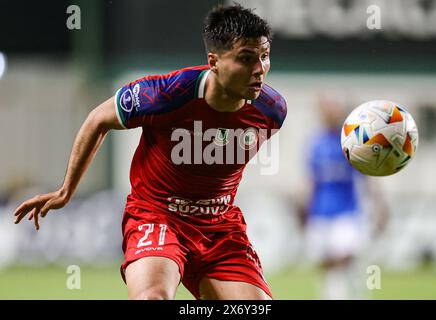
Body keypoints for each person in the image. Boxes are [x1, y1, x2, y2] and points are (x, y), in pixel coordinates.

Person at [13, 4, 287, 300]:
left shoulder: (272, 110)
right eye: (246, 59)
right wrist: (66, 190)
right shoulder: (166, 94)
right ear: (214, 62)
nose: (259, 69)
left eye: (264, 56)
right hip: (158, 216)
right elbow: (97, 120)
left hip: (220, 227)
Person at [298, 95, 387, 300]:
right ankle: (336, 294)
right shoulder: (315, 143)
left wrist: (379, 207)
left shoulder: (352, 141)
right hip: (320, 211)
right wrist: (304, 207)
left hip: (347, 212)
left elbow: (367, 178)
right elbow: (311, 180)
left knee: (343, 257)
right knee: (326, 263)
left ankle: (348, 294)